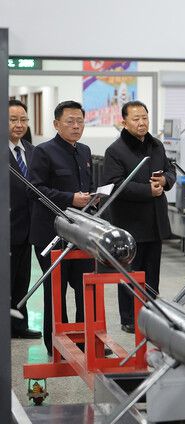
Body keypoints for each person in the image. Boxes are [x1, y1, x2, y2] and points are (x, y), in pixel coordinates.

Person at [102, 100, 175, 334]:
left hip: (155, 221)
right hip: (130, 223)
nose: (142, 122)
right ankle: (129, 318)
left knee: (152, 273)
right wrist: (147, 191)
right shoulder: (115, 151)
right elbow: (114, 185)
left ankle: (151, 314)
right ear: (124, 122)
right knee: (130, 273)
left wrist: (165, 180)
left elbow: (170, 170)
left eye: (145, 117)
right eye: (136, 119)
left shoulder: (156, 145)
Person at [29, 100, 95, 356]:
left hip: (80, 233)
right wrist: (70, 199)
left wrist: (93, 198)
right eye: (70, 121)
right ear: (57, 124)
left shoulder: (85, 151)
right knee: (56, 291)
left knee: (85, 288)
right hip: (50, 234)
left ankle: (84, 341)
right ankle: (56, 344)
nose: (76, 126)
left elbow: (87, 186)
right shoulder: (43, 152)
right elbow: (35, 189)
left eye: (80, 121)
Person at [8, 100, 41, 339]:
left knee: (21, 281)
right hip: (6, 227)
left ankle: (18, 326)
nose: (19, 125)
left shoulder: (31, 150)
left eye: (23, 120)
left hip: (28, 227)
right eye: (12, 120)